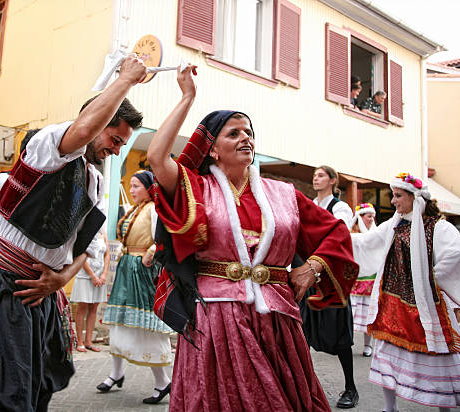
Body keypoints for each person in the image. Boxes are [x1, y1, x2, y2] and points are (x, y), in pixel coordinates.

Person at [147, 65, 358, 411]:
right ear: (212, 149)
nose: (245, 137)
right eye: (233, 133)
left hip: (277, 320)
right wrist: (187, 97)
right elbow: (156, 158)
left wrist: (313, 267)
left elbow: (335, 231)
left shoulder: (284, 194)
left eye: (249, 132)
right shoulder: (196, 189)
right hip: (216, 320)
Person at [0, 55, 146, 412]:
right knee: (4, 393)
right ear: (99, 119)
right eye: (115, 138)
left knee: (37, 386)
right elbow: (85, 131)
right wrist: (126, 81)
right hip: (5, 285)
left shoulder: (95, 181)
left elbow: (83, 248)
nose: (118, 149)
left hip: (40, 292)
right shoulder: (48, 148)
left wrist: (59, 280)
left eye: (123, 144)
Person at [351, 173, 460, 412]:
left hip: (426, 304)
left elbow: (456, 254)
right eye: (392, 196)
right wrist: (335, 234)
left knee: (435, 355)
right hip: (391, 302)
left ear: (416, 198)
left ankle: (442, 408)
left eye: (398, 196)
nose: (393, 201)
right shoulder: (392, 226)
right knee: (387, 354)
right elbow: (366, 242)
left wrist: (431, 279)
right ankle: (389, 407)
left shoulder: (438, 227)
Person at [97, 170, 173, 404]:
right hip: (127, 267)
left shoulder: (154, 209)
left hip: (141, 270)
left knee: (146, 324)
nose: (131, 190)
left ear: (149, 188)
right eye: (131, 186)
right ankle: (116, 373)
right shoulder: (135, 209)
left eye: (136, 186)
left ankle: (163, 382)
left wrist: (150, 253)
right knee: (120, 320)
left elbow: (163, 238)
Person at [301, 165, 359, 408]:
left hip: (331, 280)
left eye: (321, 175)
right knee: (301, 332)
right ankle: (303, 386)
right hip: (309, 277)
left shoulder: (341, 208)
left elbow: (338, 236)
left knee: (340, 337)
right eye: (314, 175)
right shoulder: (310, 205)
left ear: (333, 181)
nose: (316, 178)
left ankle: (351, 388)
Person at [70, 227, 109, 353]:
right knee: (83, 307)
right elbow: (81, 254)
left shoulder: (103, 232)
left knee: (94, 308)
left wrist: (104, 274)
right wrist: (92, 275)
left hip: (100, 276)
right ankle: (79, 341)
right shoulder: (84, 230)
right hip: (85, 275)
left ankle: (89, 341)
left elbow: (107, 254)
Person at [349, 203, 377, 357]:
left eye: (373, 216)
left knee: (368, 314)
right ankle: (347, 343)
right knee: (350, 315)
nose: (371, 219)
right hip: (354, 280)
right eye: (368, 216)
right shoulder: (351, 233)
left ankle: (368, 345)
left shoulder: (376, 234)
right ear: (360, 217)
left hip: (370, 281)